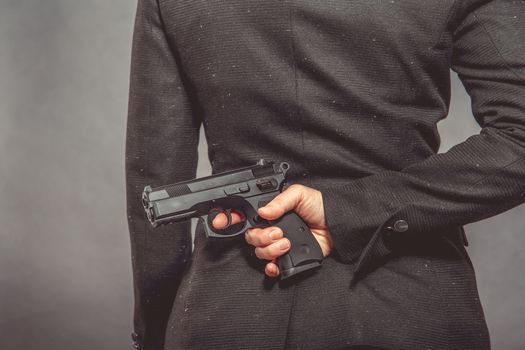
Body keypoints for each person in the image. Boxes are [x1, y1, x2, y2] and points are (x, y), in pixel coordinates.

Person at [125, 0, 525, 349]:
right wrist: (352, 210)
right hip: (407, 310)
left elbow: (153, 178)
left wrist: (158, 330)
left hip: (228, 316)